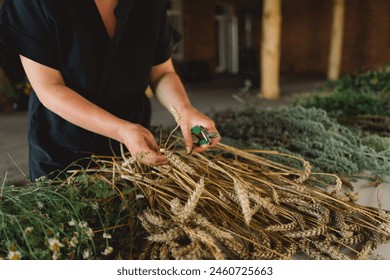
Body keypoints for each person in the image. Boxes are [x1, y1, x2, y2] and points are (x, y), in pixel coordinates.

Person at [0, 0, 220, 181]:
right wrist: (121, 130)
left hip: (134, 151)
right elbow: (49, 87)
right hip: (63, 153)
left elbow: (162, 73)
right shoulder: (34, 3)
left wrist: (184, 110)